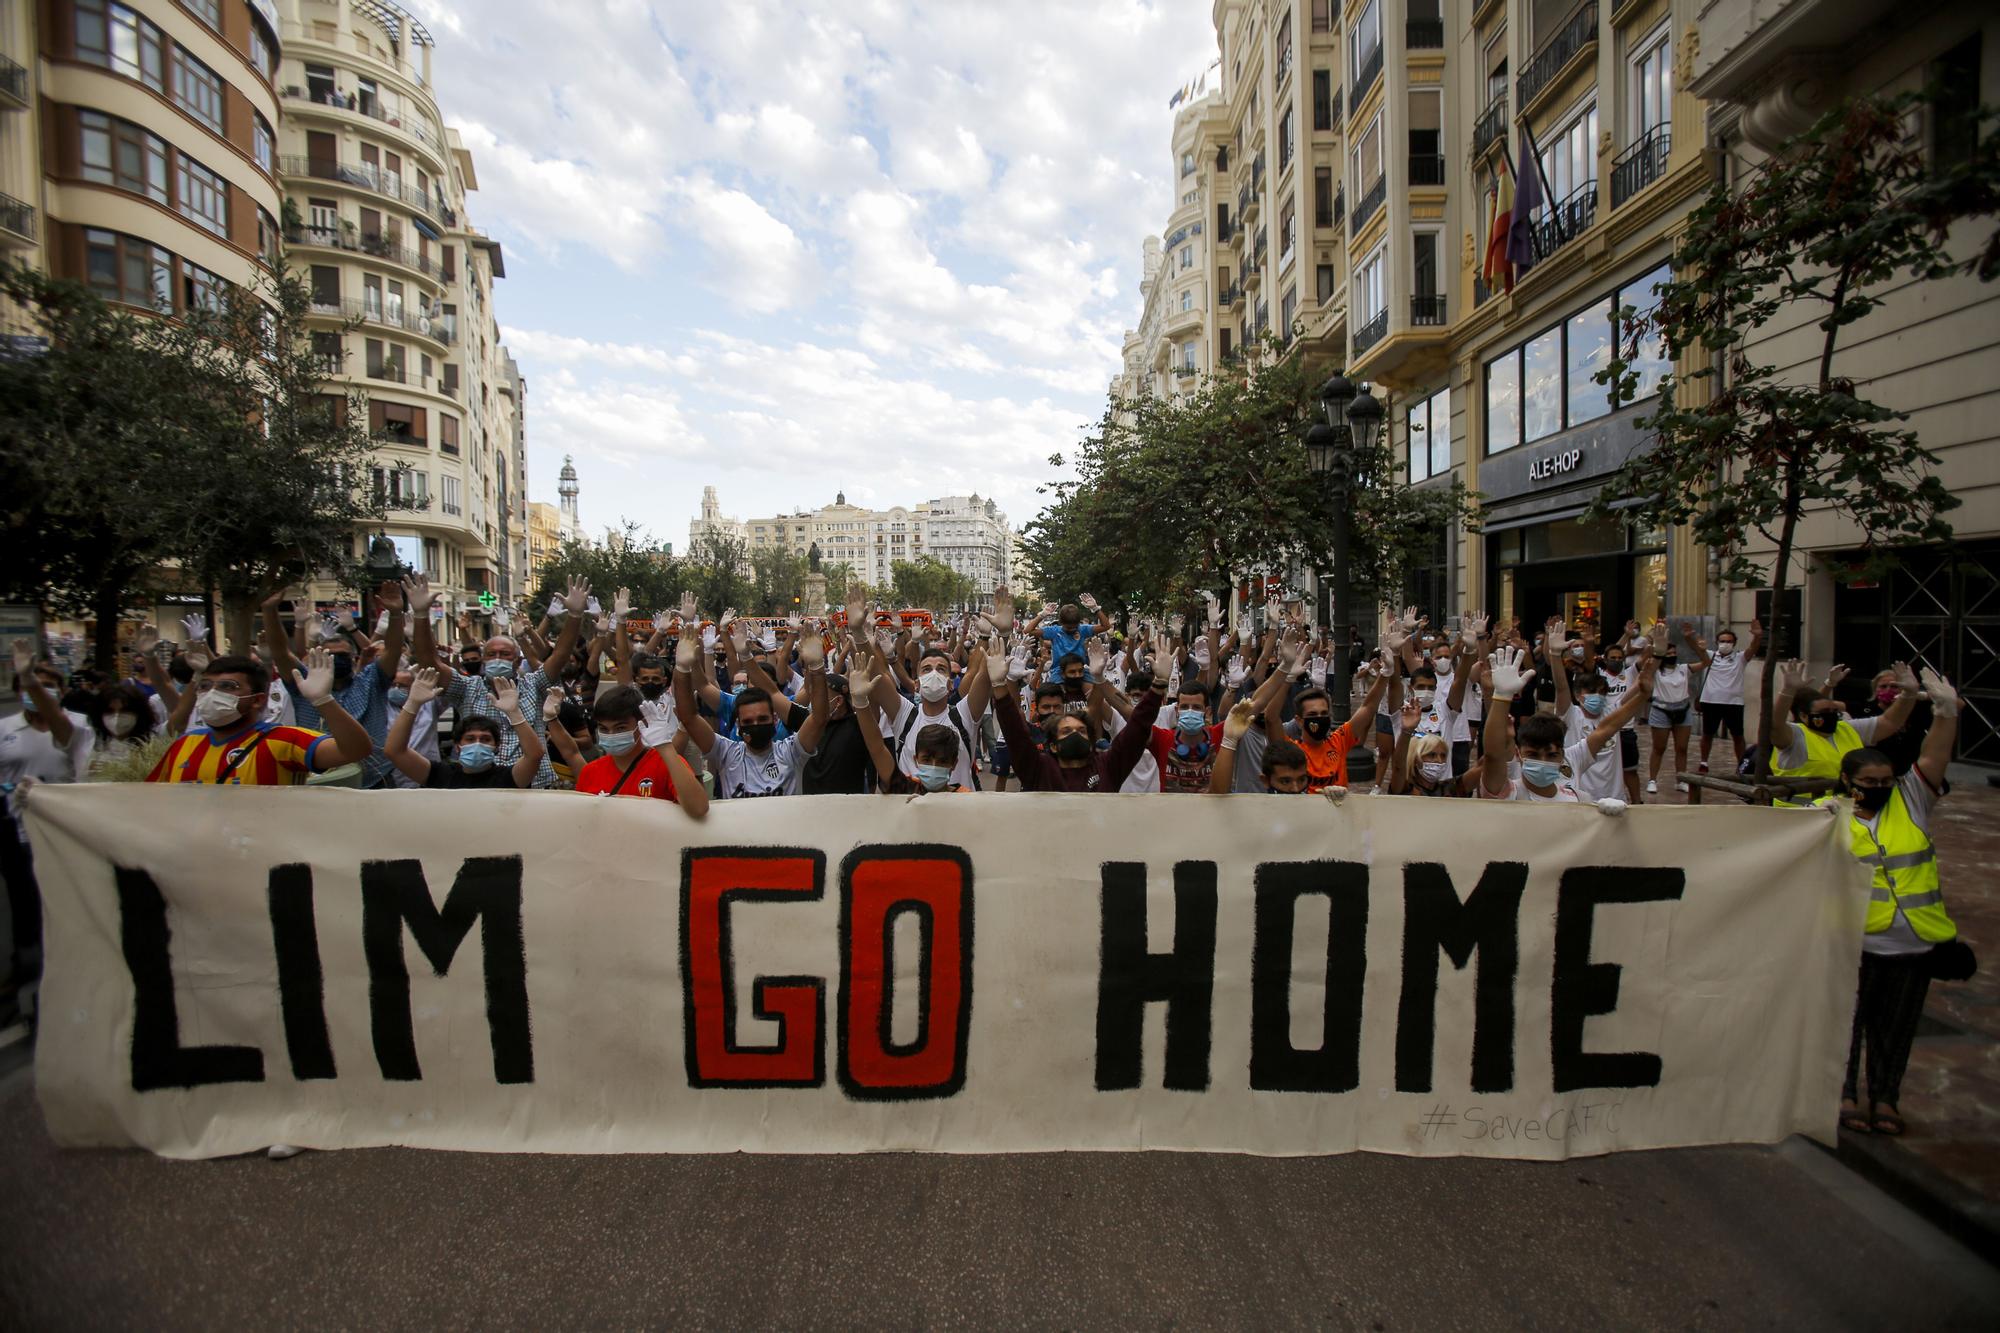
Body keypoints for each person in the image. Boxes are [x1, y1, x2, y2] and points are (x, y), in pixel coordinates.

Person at [1827, 669, 1962, 1139]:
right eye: (1869, 780)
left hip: (1914, 942)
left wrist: (1945, 712)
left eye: (1886, 778)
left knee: (1895, 1028)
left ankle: (1885, 1096)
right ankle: (1842, 1093)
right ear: (1848, 781)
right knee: (1847, 1025)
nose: (1880, 785)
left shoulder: (1912, 801)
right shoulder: (1827, 816)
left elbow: (1934, 754)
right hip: (1854, 943)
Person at [408, 573, 591, 787]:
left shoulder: (534, 684)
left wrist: (575, 615)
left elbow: (559, 655)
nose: (497, 659)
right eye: (491, 654)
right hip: (481, 785)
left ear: (516, 660)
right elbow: (429, 661)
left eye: (505, 654)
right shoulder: (466, 687)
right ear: (483, 659)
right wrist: (421, 615)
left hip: (534, 783)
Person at [2, 643, 94, 1016]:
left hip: (63, 828)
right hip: (15, 827)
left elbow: (63, 734)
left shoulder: (76, 725)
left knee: (64, 900)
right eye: (29, 685)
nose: (38, 690)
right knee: (25, 904)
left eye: (47, 684)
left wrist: (33, 683)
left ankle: (68, 972)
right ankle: (26, 973)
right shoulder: (5, 729)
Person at [145, 649, 373, 784]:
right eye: (205, 686)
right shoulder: (184, 744)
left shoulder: (284, 739)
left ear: (258, 699)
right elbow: (152, 799)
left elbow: (355, 750)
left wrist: (324, 701)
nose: (212, 693)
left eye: (227, 686)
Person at [673, 615, 828, 798]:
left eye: (762, 719)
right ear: (738, 723)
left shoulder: (791, 752)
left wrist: (817, 667)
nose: (755, 724)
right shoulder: (726, 753)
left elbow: (818, 719)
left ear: (775, 718)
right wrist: (682, 668)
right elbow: (689, 718)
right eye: (748, 721)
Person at [1477, 645, 1632, 812]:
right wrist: (1501, 696)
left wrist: (1605, 819)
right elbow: (1493, 754)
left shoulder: (1579, 799)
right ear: (1519, 754)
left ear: (1562, 757)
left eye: (1551, 755)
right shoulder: (1508, 793)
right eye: (1533, 754)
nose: (1542, 762)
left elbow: (1607, 729)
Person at [992, 644, 1160, 791]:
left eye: (1081, 730)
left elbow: (1137, 728)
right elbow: (1014, 730)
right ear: (1053, 746)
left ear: (1090, 740)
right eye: (1066, 731)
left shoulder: (1107, 767)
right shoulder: (1040, 769)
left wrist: (1159, 686)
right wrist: (1001, 686)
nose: (1075, 734)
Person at [1768, 658, 1918, 805]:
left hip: (1844, 815)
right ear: (1803, 716)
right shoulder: (1795, 735)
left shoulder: (1847, 728)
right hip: (1800, 818)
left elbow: (1890, 722)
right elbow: (1775, 725)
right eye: (1825, 711)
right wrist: (1787, 691)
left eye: (1834, 710)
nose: (1831, 714)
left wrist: (1909, 694)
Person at [385, 669, 543, 789]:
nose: (477, 743)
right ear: (457, 746)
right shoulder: (440, 775)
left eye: (486, 739)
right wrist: (412, 703)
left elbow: (534, 755)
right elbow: (395, 751)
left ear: (496, 747)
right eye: (470, 738)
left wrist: (514, 713)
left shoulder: (509, 776)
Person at [573, 685, 707, 813]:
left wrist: (665, 746)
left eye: (621, 728)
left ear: (642, 723)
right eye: (603, 729)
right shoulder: (589, 772)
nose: (611, 735)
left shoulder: (667, 764)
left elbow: (699, 808)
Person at [1696, 620, 1761, 777]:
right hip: (1711, 701)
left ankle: (1741, 764)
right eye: (1723, 641)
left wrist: (1757, 637)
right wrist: (1691, 638)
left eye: (1729, 641)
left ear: (1734, 643)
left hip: (1733, 702)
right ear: (1717, 642)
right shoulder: (1711, 656)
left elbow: (1752, 649)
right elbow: (1698, 651)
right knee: (1707, 734)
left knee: (1738, 736)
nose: (1725, 644)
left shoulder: (1740, 658)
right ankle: (1703, 762)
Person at [1642, 621, 1699, 796]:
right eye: (1669, 652)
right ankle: (1652, 780)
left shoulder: (1684, 669)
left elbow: (1706, 661)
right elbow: (1645, 664)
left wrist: (1692, 640)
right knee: (1659, 748)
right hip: (1661, 710)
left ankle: (1681, 780)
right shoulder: (1656, 672)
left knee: (1682, 748)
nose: (1672, 655)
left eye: (1674, 652)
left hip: (1683, 710)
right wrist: (1654, 645)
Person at [1209, 702, 1314, 794]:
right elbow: (1218, 794)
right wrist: (1229, 740)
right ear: (1265, 780)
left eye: (1301, 780)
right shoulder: (1243, 733)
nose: (1295, 789)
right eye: (1285, 781)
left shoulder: (1283, 729)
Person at [83, 682, 159, 780]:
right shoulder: (89, 743)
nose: (117, 717)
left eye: (125, 711)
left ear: (139, 713)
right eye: (110, 711)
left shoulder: (152, 746)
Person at [1033, 590, 1110, 683]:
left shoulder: (1083, 629)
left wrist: (1096, 609)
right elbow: (1028, 631)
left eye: (1074, 627)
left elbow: (1106, 626)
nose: (1072, 630)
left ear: (1078, 623)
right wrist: (1041, 615)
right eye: (1068, 627)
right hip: (1059, 671)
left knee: (1096, 686)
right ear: (1061, 623)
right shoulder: (1054, 631)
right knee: (1055, 691)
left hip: (1080, 670)